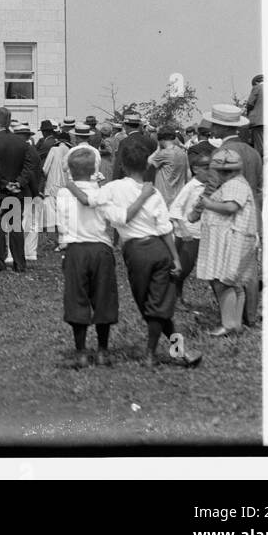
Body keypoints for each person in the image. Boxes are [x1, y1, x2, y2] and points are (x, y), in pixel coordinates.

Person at [67, 136, 201, 368]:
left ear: (123, 165)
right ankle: (170, 351)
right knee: (160, 307)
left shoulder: (113, 188)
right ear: (147, 165)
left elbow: (87, 200)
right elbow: (165, 228)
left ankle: (166, 352)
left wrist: (70, 184)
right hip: (160, 249)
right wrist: (176, 258)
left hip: (136, 253)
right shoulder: (154, 193)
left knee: (149, 306)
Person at [54, 146, 119, 368]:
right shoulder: (103, 191)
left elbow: (61, 223)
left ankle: (81, 351)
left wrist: (63, 242)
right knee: (103, 297)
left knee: (76, 298)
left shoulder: (64, 192)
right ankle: (102, 349)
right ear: (95, 169)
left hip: (75, 249)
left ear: (70, 169)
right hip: (101, 248)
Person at [193, 147, 260, 336]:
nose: (220, 175)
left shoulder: (235, 185)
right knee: (233, 283)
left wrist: (208, 204)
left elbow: (231, 206)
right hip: (234, 237)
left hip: (233, 238)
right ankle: (235, 323)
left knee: (223, 282)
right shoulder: (237, 183)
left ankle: (228, 324)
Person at [0, 107, 39, 272]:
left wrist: (4, 183)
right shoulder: (21, 143)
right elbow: (29, 165)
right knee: (16, 226)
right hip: (16, 190)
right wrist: (18, 182)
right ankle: (19, 262)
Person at [169, 147, 210, 305]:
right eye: (206, 169)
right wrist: (183, 228)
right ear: (195, 169)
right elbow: (175, 209)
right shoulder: (190, 187)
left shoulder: (208, 186)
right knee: (183, 267)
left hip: (200, 232)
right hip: (189, 233)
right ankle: (173, 297)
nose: (209, 172)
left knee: (187, 267)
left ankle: (177, 296)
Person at [147, 127, 191, 207]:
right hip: (178, 196)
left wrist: (158, 149)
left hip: (165, 197)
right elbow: (188, 173)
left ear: (161, 139)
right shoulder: (182, 153)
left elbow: (149, 162)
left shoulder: (164, 153)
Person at [244, 73, 264, 157]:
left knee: (260, 148)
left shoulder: (258, 87)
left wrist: (248, 116)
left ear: (256, 82)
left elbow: (250, 104)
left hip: (259, 122)